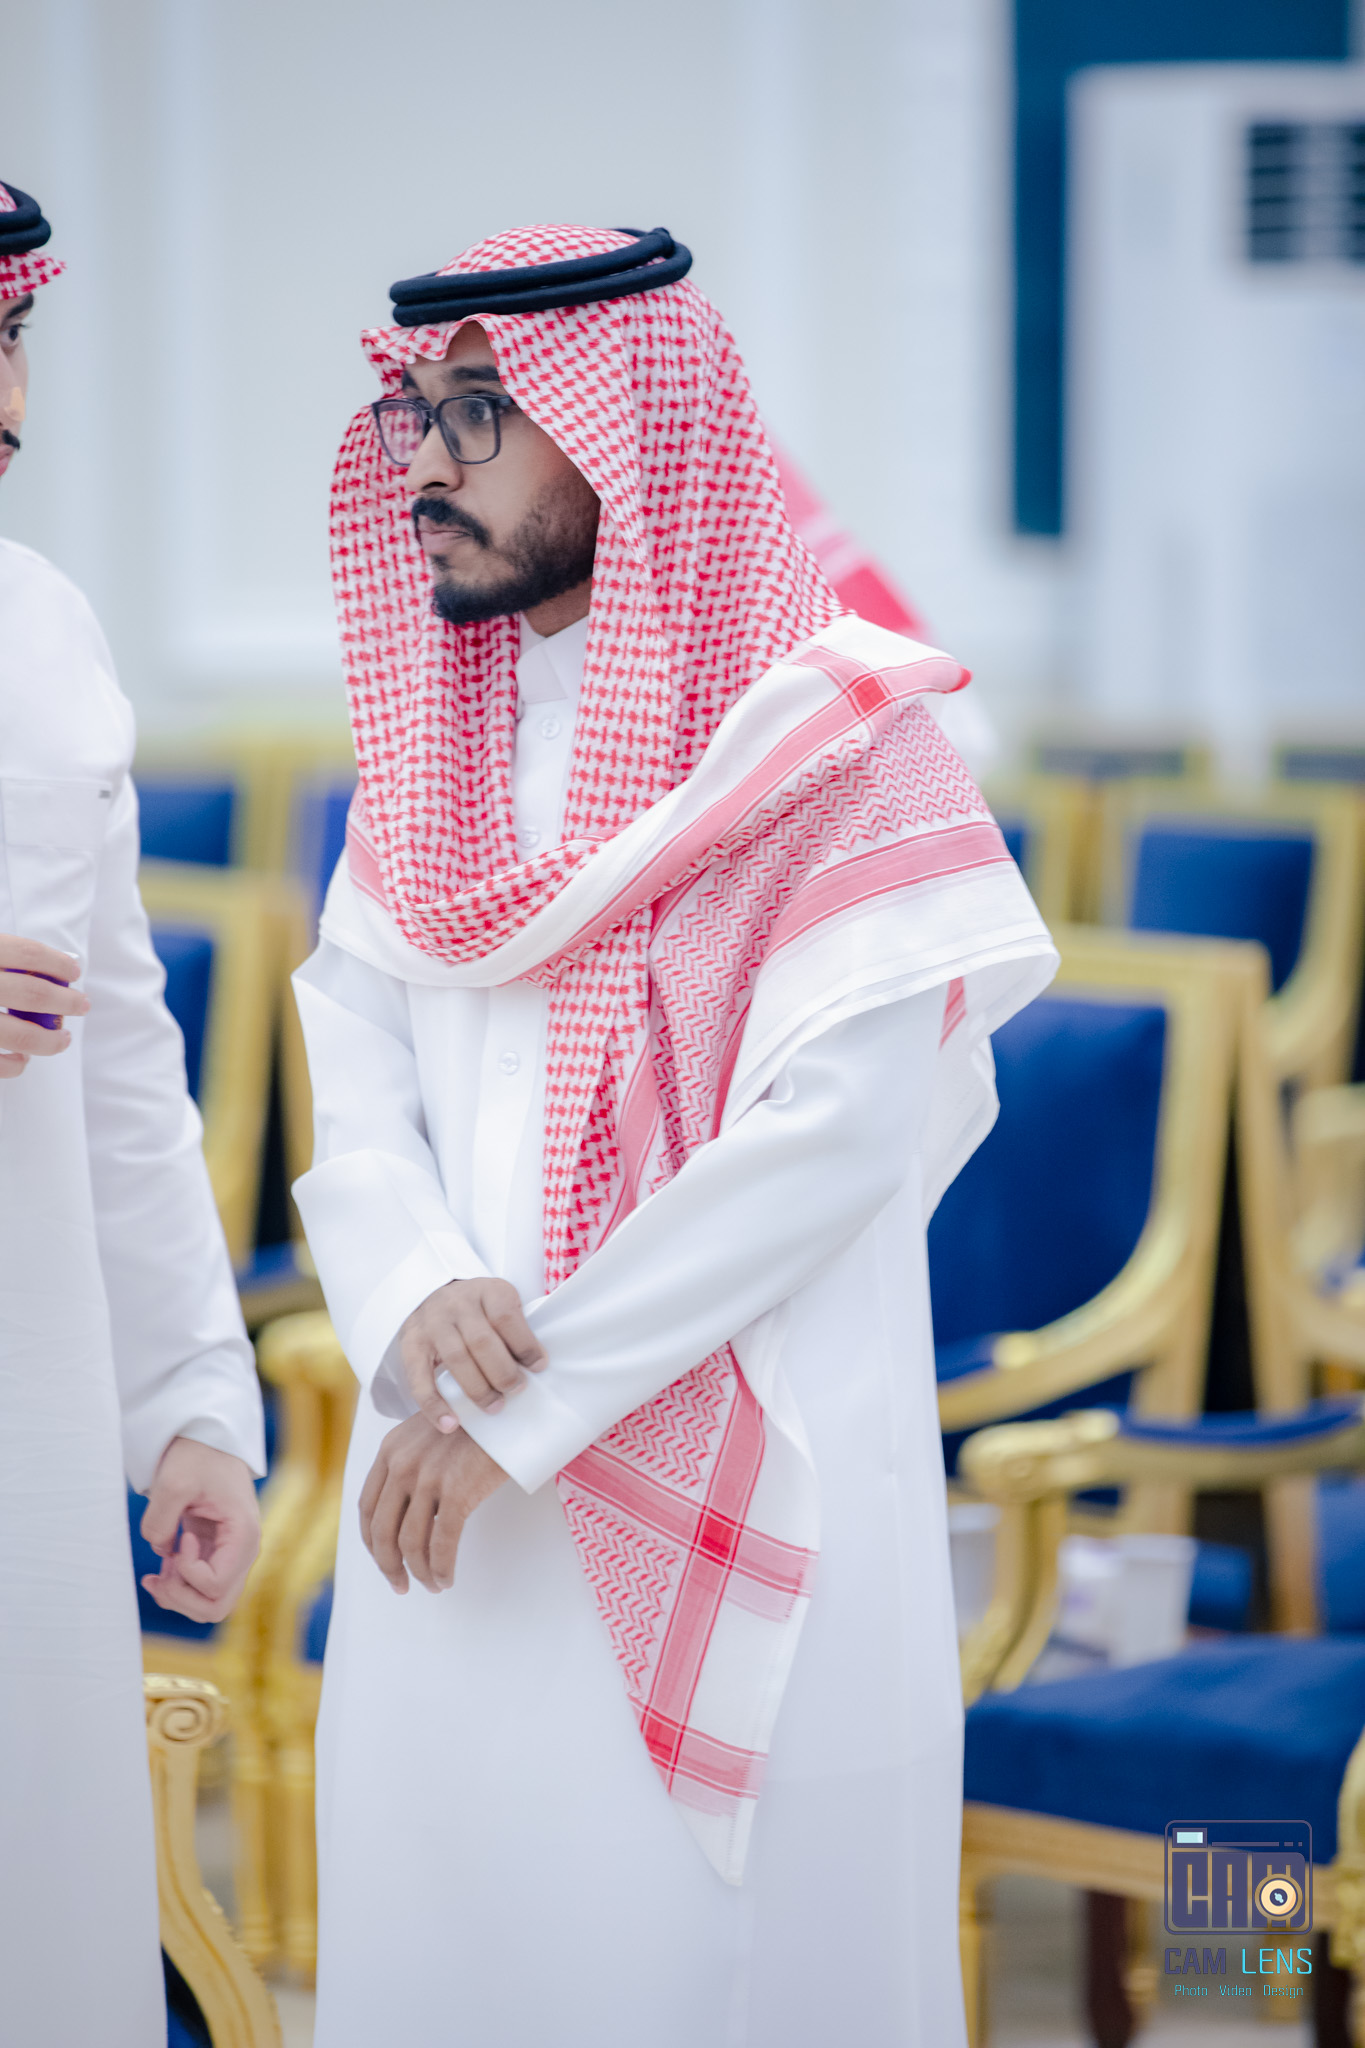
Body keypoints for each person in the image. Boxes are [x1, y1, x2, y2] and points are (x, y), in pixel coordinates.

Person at [293, 224, 1056, 2048]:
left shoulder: (839, 750)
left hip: (735, 1457)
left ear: (627, 429)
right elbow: (351, 1035)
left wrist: (529, 1405)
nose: (426, 466)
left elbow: (829, 1146)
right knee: (451, 1945)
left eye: (481, 413)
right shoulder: (436, 750)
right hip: (447, 1476)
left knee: (708, 1975)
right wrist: (410, 1281)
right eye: (414, 415)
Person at [0, 180, 267, 2047]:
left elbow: (119, 1068)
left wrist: (187, 1404)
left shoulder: (43, 627)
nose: (8, 399)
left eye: (12, 336)